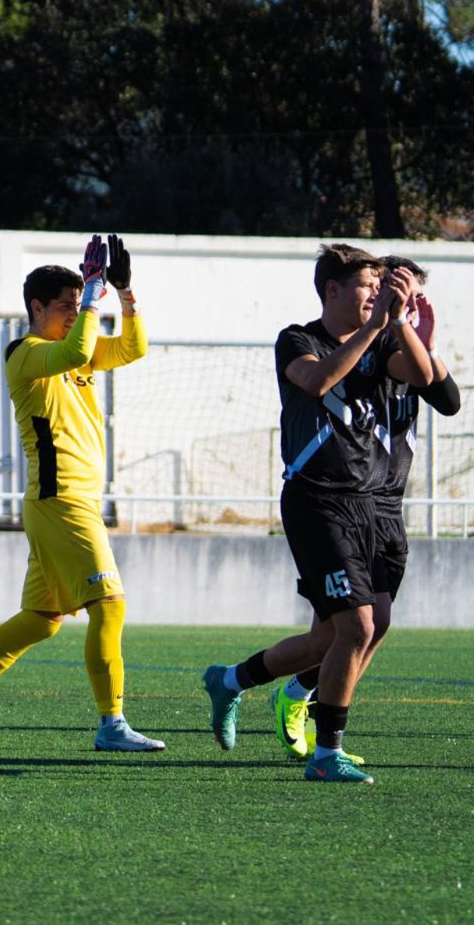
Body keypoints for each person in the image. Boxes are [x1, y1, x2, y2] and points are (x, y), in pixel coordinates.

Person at [204, 246, 437, 783]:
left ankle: (231, 681)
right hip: (317, 501)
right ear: (332, 289)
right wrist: (377, 326)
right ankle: (327, 753)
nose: (375, 295)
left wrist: (409, 325)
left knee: (336, 638)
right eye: (365, 286)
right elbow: (318, 381)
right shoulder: (297, 338)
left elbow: (430, 383)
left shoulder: (380, 341)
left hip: (371, 504)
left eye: (381, 286)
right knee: (356, 626)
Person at [0, 235, 166, 753]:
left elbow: (133, 347)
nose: (74, 313)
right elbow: (79, 346)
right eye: (65, 306)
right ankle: (111, 724)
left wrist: (124, 294)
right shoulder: (26, 354)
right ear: (36, 307)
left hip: (66, 502)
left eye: (77, 305)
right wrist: (95, 297)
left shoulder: (71, 351)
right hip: (61, 501)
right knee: (110, 603)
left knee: (43, 621)